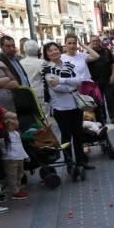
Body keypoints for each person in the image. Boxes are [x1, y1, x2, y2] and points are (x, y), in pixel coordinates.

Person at [42, 42, 90, 180]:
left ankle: (81, 161)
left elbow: (80, 80)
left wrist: (62, 80)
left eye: (55, 49)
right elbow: (58, 88)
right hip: (60, 107)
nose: (53, 52)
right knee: (66, 136)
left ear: (59, 50)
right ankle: (70, 163)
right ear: (47, 54)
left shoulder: (67, 65)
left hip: (75, 105)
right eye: (50, 51)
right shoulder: (47, 69)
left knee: (78, 134)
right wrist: (71, 85)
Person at [88, 36, 114, 123]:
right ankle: (103, 118)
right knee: (99, 101)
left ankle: (113, 117)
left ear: (100, 41)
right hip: (95, 82)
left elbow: (113, 64)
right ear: (90, 42)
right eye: (93, 41)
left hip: (107, 79)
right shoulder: (87, 53)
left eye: (97, 41)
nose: (95, 42)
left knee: (110, 99)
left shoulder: (106, 51)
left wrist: (113, 75)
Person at [1, 111, 29, 201]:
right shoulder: (6, 134)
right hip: (10, 159)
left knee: (20, 174)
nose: (18, 122)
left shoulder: (16, 133)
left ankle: (18, 188)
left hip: (19, 157)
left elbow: (20, 146)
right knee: (12, 176)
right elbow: (2, 145)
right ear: (10, 123)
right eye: (16, 120)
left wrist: (26, 155)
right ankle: (15, 192)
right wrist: (5, 154)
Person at [19, 40, 45, 105]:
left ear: (24, 50)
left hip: (26, 92)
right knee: (44, 113)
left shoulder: (20, 63)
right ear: (37, 49)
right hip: (40, 93)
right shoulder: (41, 62)